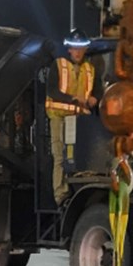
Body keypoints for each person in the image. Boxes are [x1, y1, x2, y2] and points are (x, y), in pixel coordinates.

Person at [45, 29, 102, 206]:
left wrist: (95, 98)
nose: (77, 51)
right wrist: (73, 99)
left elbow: (98, 91)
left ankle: (80, 189)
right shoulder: (59, 65)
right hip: (60, 118)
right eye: (74, 48)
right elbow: (52, 91)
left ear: (85, 49)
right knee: (60, 157)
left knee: (80, 157)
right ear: (69, 48)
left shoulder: (91, 70)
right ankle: (61, 195)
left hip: (80, 122)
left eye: (81, 48)